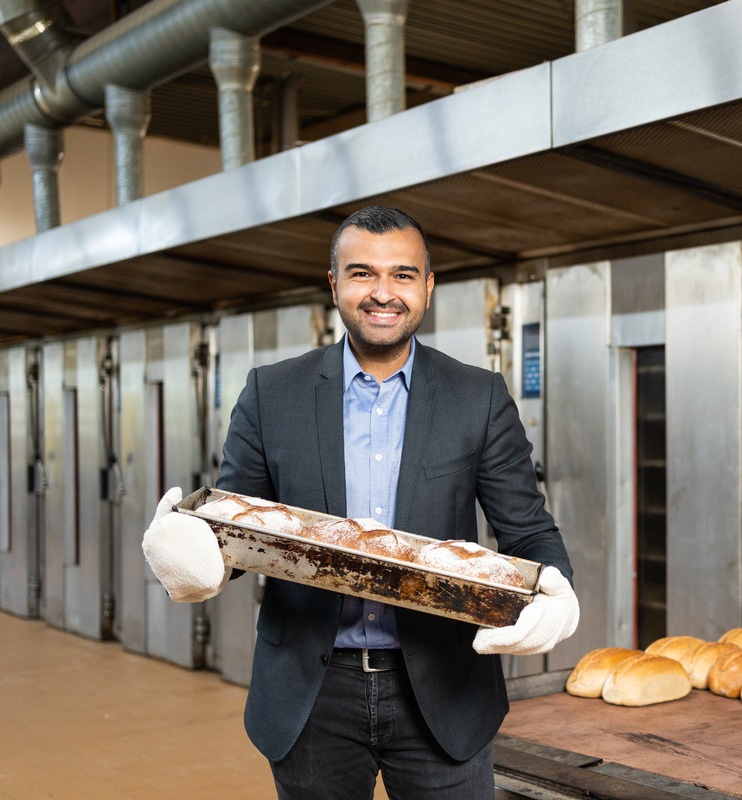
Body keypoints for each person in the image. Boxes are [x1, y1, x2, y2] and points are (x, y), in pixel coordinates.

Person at [142, 205, 578, 799]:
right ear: (334, 285)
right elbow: (236, 525)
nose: (382, 293)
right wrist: (194, 555)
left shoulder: (478, 397)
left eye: (402, 274)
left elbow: (526, 530)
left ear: (427, 286)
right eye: (361, 273)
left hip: (442, 690)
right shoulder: (272, 393)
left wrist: (559, 594)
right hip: (310, 693)